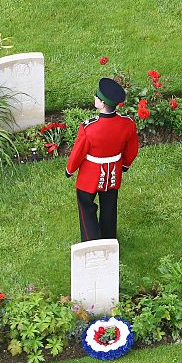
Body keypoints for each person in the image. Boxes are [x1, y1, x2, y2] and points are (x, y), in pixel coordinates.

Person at [66, 78, 139, 241]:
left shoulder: (89, 128)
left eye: (96, 97)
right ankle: (108, 239)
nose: (95, 99)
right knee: (109, 209)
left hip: (90, 176)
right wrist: (125, 165)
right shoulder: (127, 124)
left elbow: (78, 152)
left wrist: (69, 170)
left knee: (86, 206)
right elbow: (132, 149)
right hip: (113, 173)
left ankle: (91, 242)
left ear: (102, 103)